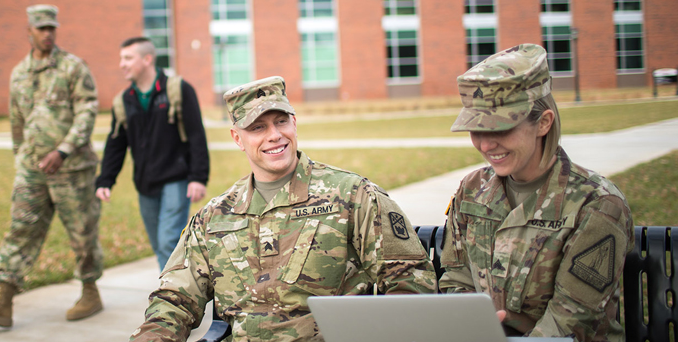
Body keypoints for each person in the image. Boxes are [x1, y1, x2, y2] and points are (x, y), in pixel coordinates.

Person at [129, 76, 437, 342]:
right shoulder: (215, 216)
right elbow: (175, 300)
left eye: (281, 121)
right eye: (258, 127)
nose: (274, 135)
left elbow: (410, 281)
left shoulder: (351, 196)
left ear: (294, 122)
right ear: (237, 138)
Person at [439, 44, 634, 340]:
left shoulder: (596, 204)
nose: (487, 145)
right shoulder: (472, 190)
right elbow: (456, 278)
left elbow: (572, 321)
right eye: (477, 130)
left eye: (500, 129)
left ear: (543, 123)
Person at [0, 4, 105, 326]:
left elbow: (87, 111)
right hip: (32, 170)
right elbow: (16, 121)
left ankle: (90, 292)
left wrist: (63, 150)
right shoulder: (19, 73)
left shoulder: (72, 67)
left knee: (82, 233)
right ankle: (3, 301)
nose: (48, 33)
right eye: (41, 28)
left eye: (52, 27)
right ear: (29, 31)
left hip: (72, 169)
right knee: (20, 230)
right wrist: (20, 158)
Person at [95, 37, 210, 271]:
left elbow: (197, 135)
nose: (122, 64)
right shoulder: (124, 100)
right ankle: (178, 290)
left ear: (147, 59)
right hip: (145, 184)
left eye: (128, 58)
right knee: (159, 244)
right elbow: (116, 144)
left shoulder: (178, 89)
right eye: (121, 58)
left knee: (168, 241)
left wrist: (198, 177)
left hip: (176, 180)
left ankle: (172, 299)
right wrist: (105, 179)